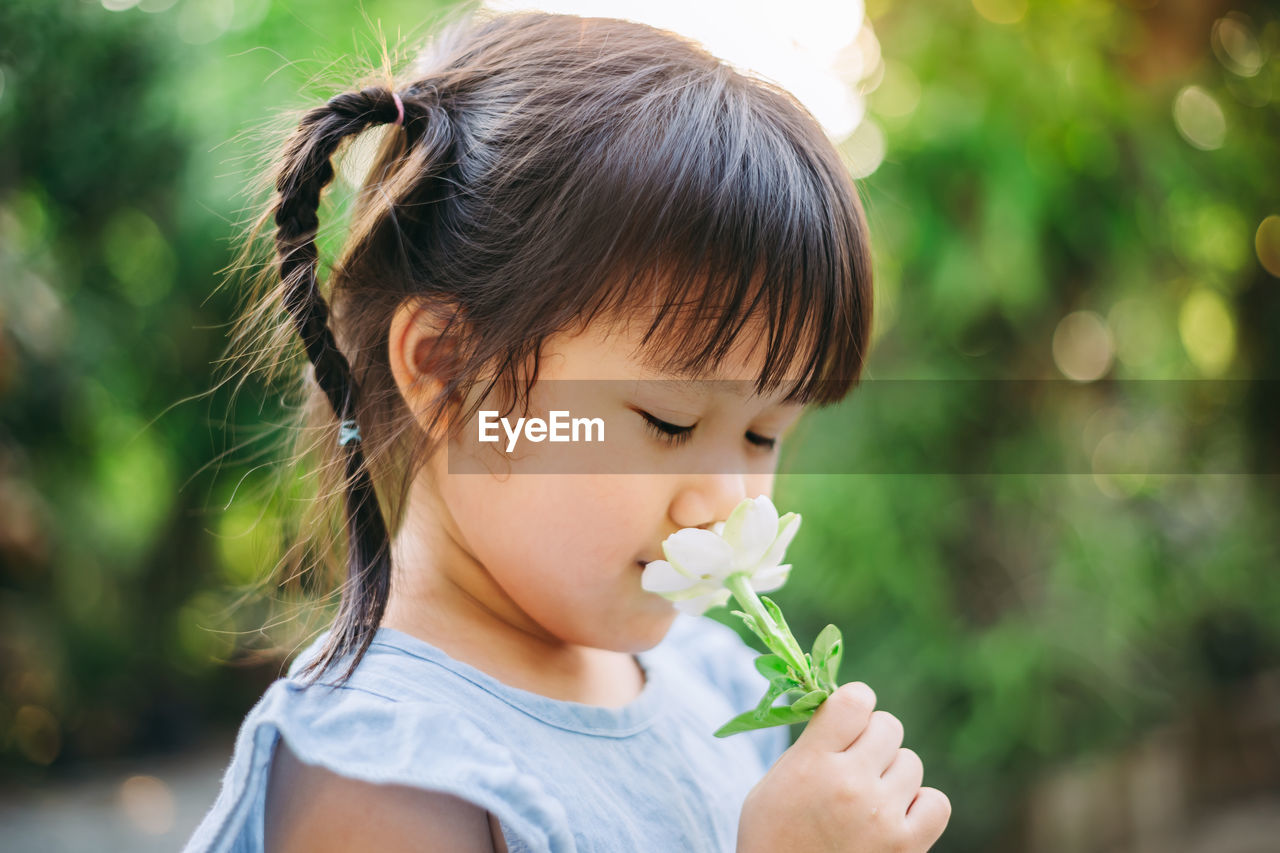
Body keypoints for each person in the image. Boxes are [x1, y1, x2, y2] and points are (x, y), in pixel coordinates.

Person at [182, 5, 950, 852]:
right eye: (668, 422)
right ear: (446, 371)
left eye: (765, 436)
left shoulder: (720, 679)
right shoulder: (382, 766)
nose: (726, 501)